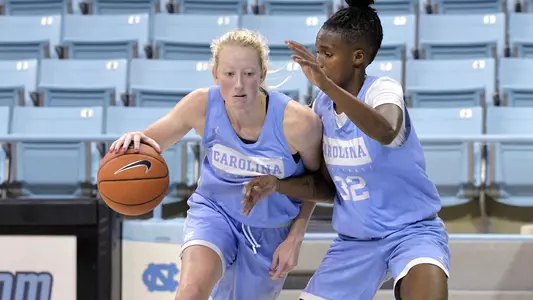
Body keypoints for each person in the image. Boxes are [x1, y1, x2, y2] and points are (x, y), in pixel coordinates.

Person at [241, 1, 450, 300]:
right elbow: (325, 187)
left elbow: (386, 131)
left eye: (328, 53)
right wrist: (278, 185)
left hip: (413, 232)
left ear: (358, 58)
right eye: (317, 52)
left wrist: (326, 86)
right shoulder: (322, 109)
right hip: (356, 241)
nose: (318, 61)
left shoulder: (382, 90)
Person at [109, 29, 323, 300]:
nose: (238, 85)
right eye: (229, 74)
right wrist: (136, 138)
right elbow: (152, 141)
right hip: (214, 211)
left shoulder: (298, 124)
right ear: (215, 75)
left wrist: (295, 238)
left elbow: (317, 184)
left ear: (262, 75)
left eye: (248, 74)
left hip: (269, 228)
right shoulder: (201, 105)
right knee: (190, 292)